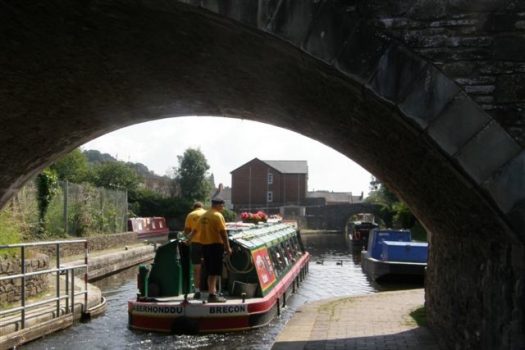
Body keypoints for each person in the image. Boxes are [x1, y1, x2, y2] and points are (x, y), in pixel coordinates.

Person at [199, 197, 232, 303]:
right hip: (215, 246)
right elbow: (223, 233)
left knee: (210, 271)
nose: (223, 208)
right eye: (222, 205)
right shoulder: (217, 216)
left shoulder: (204, 215)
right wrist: (228, 248)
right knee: (214, 272)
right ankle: (212, 295)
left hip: (205, 245)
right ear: (217, 205)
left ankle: (212, 292)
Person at [183, 201, 206, 299]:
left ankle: (197, 291)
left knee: (197, 268)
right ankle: (211, 289)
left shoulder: (190, 215)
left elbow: (187, 231)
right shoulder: (207, 214)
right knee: (209, 266)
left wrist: (188, 240)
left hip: (195, 244)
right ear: (202, 207)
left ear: (194, 207)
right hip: (207, 243)